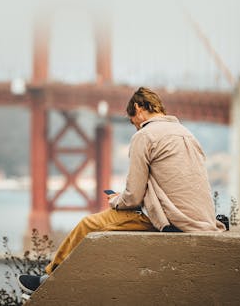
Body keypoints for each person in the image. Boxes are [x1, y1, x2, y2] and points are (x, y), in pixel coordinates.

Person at [17, 86, 226, 295]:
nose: (134, 125)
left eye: (131, 119)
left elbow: (134, 196)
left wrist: (117, 200)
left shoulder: (144, 136)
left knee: (88, 224)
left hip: (172, 220)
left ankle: (47, 279)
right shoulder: (186, 133)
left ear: (137, 107)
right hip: (201, 219)